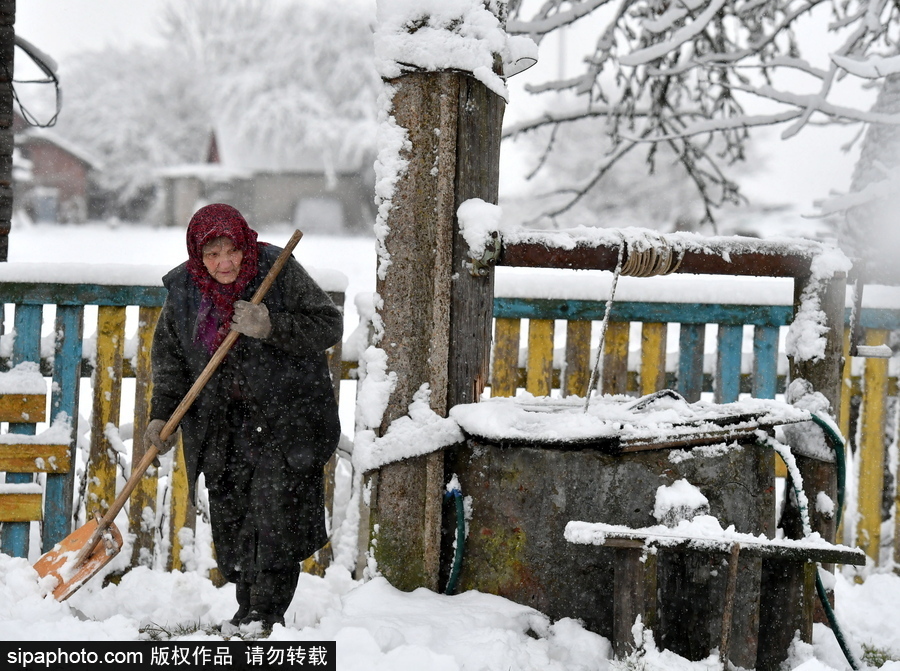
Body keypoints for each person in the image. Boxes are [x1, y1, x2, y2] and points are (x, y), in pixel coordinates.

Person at [144, 203, 343, 632]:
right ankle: (246, 608)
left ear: (244, 243)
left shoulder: (277, 267)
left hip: (285, 420)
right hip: (221, 426)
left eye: (231, 250)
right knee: (233, 518)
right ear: (199, 256)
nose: (224, 263)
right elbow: (171, 361)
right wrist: (161, 417)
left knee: (274, 515)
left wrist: (271, 325)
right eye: (212, 254)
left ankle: (264, 615)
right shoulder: (184, 290)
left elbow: (329, 324)